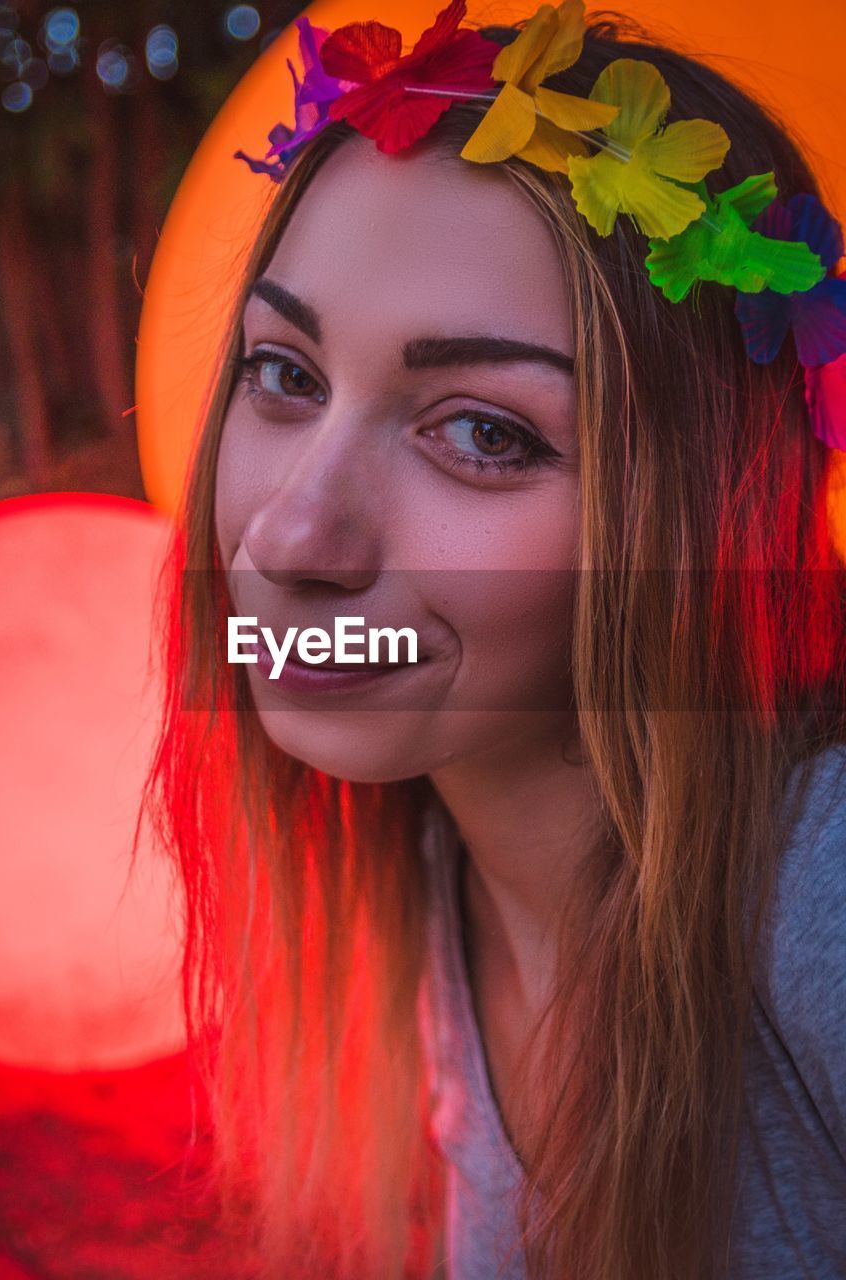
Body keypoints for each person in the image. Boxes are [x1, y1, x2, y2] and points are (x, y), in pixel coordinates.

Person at [135, 3, 846, 1277]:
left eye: (483, 433)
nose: (295, 533)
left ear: (697, 515)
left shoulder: (816, 889)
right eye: (285, 374)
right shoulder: (435, 858)